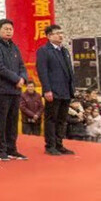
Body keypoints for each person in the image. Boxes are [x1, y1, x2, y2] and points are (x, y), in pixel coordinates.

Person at [0, 18, 28, 161]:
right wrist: (16, 79)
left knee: (12, 121)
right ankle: (1, 150)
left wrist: (23, 78)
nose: (8, 31)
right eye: (5, 29)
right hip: (1, 90)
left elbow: (22, 66)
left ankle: (12, 149)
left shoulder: (14, 47)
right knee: (1, 121)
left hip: (15, 90)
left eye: (10, 29)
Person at [35, 24, 76, 155]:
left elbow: (69, 71)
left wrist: (72, 88)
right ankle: (50, 146)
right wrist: (47, 90)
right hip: (53, 90)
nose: (60, 35)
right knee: (51, 119)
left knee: (62, 120)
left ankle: (59, 144)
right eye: (57, 33)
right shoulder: (44, 51)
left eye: (61, 32)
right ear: (49, 36)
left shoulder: (64, 51)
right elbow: (42, 71)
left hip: (66, 90)